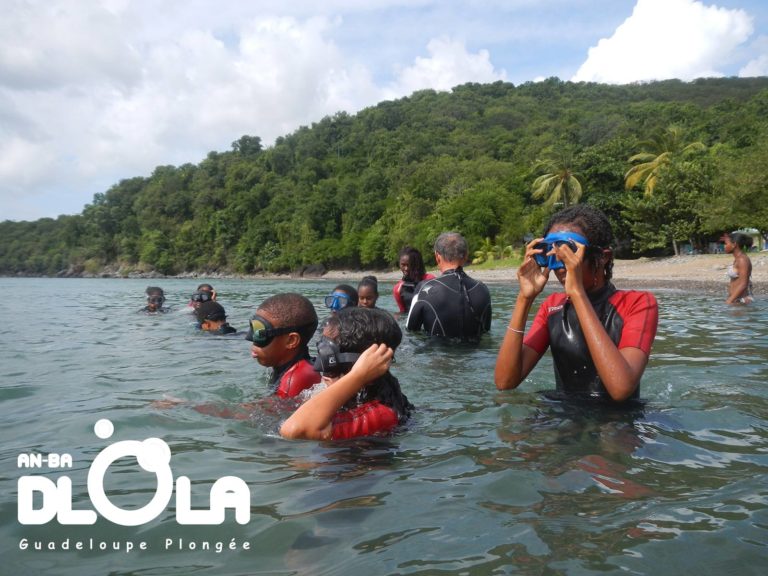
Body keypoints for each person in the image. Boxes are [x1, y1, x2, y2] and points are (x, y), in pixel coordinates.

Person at [494, 204, 658, 404]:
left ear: (603, 257)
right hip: (564, 415)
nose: (561, 266)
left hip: (616, 423)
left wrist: (577, 294)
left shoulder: (637, 303)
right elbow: (505, 382)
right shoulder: (552, 307)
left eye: (569, 253)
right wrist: (524, 298)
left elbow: (621, 389)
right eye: (552, 253)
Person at [280, 307, 413, 440]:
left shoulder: (382, 414)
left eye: (329, 358)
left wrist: (357, 377)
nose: (319, 366)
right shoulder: (358, 397)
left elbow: (293, 430)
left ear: (365, 366)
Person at [406, 232, 492, 342]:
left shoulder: (424, 288)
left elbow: (410, 331)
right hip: (475, 355)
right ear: (466, 256)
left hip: (438, 355)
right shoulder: (482, 289)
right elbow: (486, 331)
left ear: (437, 257)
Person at [247, 293, 321, 398]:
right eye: (254, 330)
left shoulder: (296, 377)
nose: (252, 343)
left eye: (261, 334)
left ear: (291, 341)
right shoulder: (286, 367)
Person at [393, 246, 435, 313]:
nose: (406, 268)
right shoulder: (397, 289)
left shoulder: (430, 280)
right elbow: (403, 312)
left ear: (416, 264)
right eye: (403, 265)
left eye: (409, 265)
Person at [722, 231, 754, 304]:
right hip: (736, 300)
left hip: (742, 300)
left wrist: (729, 301)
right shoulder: (738, 259)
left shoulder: (742, 260)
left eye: (726, 244)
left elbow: (744, 283)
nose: (724, 246)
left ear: (734, 245)